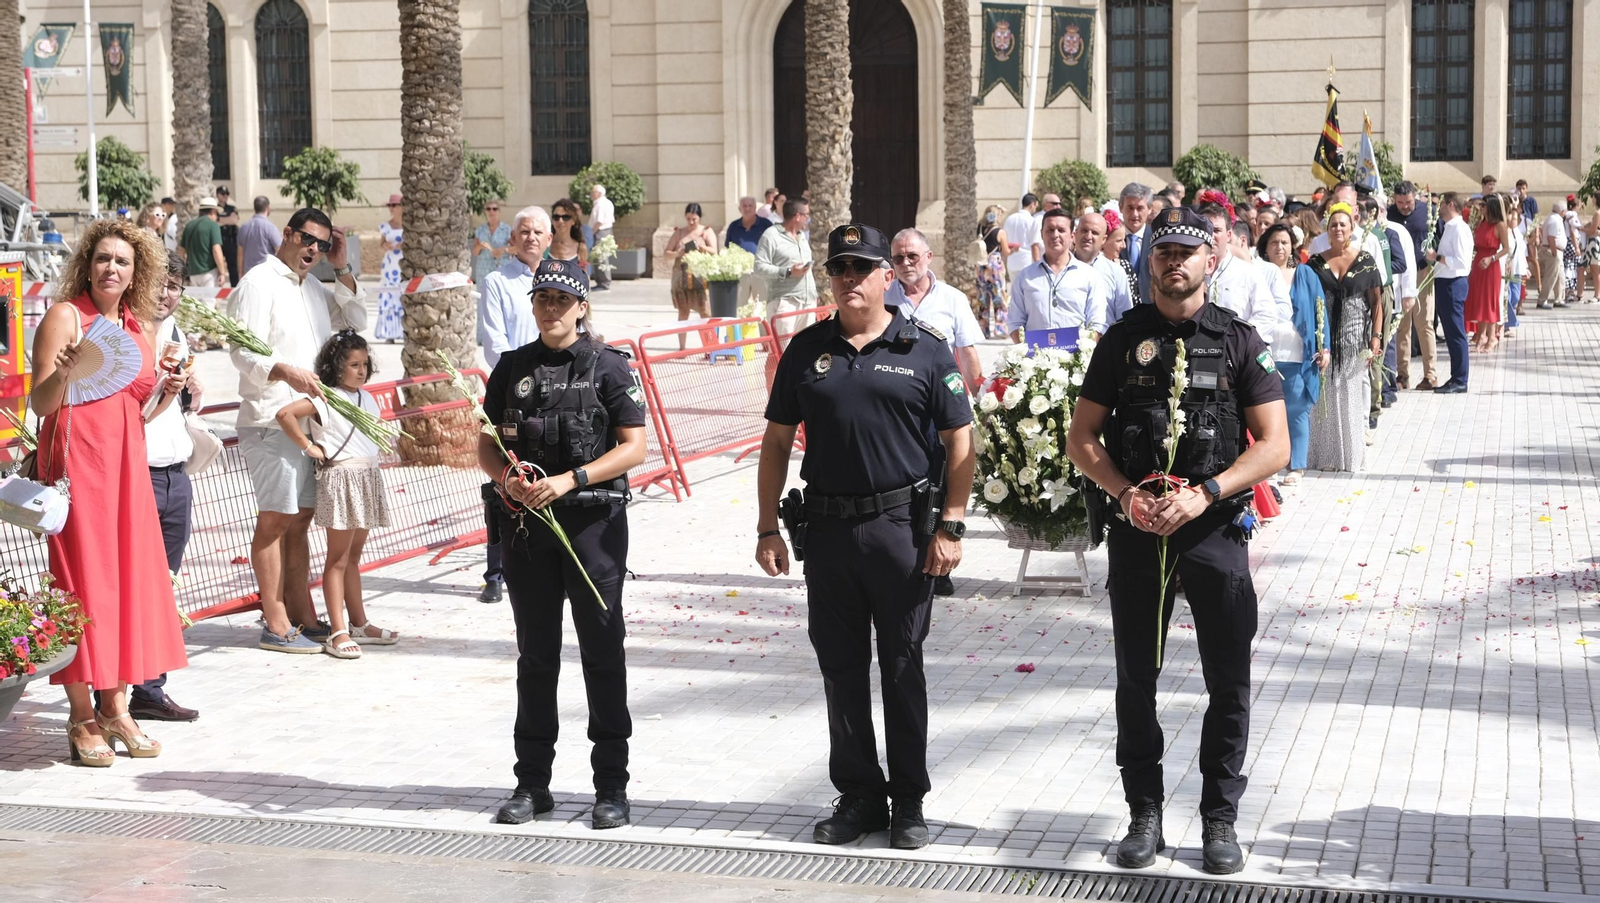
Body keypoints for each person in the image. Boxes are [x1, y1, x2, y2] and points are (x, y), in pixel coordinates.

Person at [1066, 206, 1286, 876]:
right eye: (1163, 250)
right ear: (1149, 259)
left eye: (1188, 250)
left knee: (1229, 679)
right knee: (1137, 677)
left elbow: (1276, 445)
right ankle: (1145, 813)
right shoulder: (1122, 339)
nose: (1175, 261)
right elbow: (1082, 439)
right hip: (1140, 528)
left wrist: (1209, 492)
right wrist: (1125, 494)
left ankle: (1219, 816)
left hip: (1213, 526)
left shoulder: (1241, 340)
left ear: (1210, 259)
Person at [756, 223, 975, 851]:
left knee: (902, 665)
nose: (850, 279)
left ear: (889, 275)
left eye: (862, 268)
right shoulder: (806, 350)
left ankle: (907, 799)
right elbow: (775, 441)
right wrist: (767, 525)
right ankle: (858, 796)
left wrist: (951, 524)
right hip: (825, 530)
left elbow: (960, 440)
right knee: (841, 669)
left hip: (900, 530)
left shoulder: (925, 348)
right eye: (840, 269)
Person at [482, 258, 646, 828]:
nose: (550, 309)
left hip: (593, 526)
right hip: (528, 532)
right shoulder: (511, 368)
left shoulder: (609, 368)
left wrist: (570, 480)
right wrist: (508, 479)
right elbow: (488, 442)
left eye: (560, 299)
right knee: (536, 657)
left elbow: (634, 448)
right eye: (541, 299)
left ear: (582, 306)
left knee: (602, 652)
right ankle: (532, 784)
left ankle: (611, 788)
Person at [30, 219, 190, 766]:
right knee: (82, 583)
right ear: (87, 263)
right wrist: (65, 374)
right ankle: (81, 716)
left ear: (135, 272)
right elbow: (42, 404)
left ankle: (116, 707)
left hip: (126, 467)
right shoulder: (65, 316)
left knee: (125, 582)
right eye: (102, 258)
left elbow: (138, 411)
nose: (111, 268)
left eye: (122, 261)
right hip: (78, 467)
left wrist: (168, 391)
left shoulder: (136, 326)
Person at [228, 207, 368, 653]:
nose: (314, 250)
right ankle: (273, 620)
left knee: (301, 520)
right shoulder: (257, 283)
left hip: (312, 427)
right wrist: (285, 372)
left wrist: (342, 266)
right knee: (275, 519)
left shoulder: (311, 288)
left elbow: (355, 322)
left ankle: (302, 614)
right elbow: (240, 350)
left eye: (322, 245)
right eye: (308, 240)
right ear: (286, 234)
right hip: (272, 420)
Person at [98, 253, 206, 723]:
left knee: (163, 587)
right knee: (124, 585)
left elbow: (177, 403)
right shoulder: (124, 335)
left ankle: (149, 687)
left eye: (176, 286)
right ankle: (107, 695)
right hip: (134, 473)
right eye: (160, 284)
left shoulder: (175, 334)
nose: (167, 294)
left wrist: (188, 389)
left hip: (174, 473)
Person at [274, 331, 395, 660]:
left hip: (367, 475)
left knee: (354, 557)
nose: (361, 371)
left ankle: (359, 623)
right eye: (353, 365)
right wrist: (309, 446)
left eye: (364, 364)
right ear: (335, 367)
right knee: (338, 559)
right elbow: (285, 414)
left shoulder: (366, 398)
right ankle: (338, 631)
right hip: (341, 478)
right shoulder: (325, 397)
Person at [477, 205, 551, 604]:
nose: (531, 237)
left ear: (549, 238)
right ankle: (495, 571)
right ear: (513, 236)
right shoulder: (496, 281)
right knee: (503, 481)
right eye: (524, 231)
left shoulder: (561, 279)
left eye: (538, 231)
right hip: (510, 398)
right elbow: (495, 345)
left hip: (556, 398)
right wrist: (526, 382)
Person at [1305, 203, 1383, 472]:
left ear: (1352, 228)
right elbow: (1304, 294)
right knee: (1324, 395)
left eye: (1343, 224)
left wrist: (1376, 337)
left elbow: (1376, 302)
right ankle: (1324, 456)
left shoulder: (1365, 260)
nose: (1338, 228)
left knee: (1350, 395)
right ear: (1327, 230)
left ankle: (1350, 456)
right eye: (1333, 225)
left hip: (1354, 336)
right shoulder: (1315, 262)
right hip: (1323, 338)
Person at [1257, 223, 1324, 484]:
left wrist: (1323, 347)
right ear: (1265, 247)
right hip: (1265, 353)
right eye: (1274, 242)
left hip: (1298, 353)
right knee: (1269, 412)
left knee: (1297, 409)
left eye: (1284, 242)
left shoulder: (1305, 274)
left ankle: (1296, 465)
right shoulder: (1257, 273)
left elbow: (1320, 313)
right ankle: (1272, 462)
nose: (1280, 247)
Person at [1006, 208, 1110, 341]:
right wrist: (1027, 356)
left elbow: (1097, 325)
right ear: (1041, 234)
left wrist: (1081, 356)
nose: (1055, 235)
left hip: (1077, 358)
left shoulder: (1090, 276)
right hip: (1036, 359)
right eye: (1050, 230)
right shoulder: (1025, 277)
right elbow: (1015, 323)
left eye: (1061, 230)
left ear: (1072, 236)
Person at [1199, 206, 1277, 337]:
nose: (1210, 235)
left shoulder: (1247, 271)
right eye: (1205, 229)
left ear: (1228, 235)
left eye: (1216, 230)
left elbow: (1267, 316)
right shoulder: (1189, 271)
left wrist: (1237, 341)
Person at [1389, 182, 1437, 389]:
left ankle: (1430, 375)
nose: (1404, 207)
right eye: (1400, 203)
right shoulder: (1390, 214)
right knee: (1401, 326)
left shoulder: (1428, 213)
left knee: (1424, 324)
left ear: (1415, 198)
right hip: (1398, 276)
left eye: (1408, 202)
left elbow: (1439, 237)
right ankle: (1402, 375)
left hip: (1422, 273)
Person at [753, 197, 817, 341]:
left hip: (808, 303)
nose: (808, 218)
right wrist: (787, 272)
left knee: (806, 351)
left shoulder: (802, 237)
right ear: (797, 216)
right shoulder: (771, 235)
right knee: (783, 354)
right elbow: (758, 267)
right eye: (807, 214)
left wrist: (813, 294)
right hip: (785, 302)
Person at [1429, 193, 1473, 392]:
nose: (1439, 208)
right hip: (1445, 282)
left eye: (1442, 204)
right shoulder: (1450, 227)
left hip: (1453, 283)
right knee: (1450, 332)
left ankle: (1460, 379)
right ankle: (1456, 376)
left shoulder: (1459, 229)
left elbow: (1462, 262)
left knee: (1456, 332)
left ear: (1451, 204)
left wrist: (1437, 257)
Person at [664, 203, 716, 349]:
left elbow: (714, 251)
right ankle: (682, 347)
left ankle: (710, 346)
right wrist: (677, 253)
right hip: (681, 277)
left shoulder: (706, 231)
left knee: (705, 312)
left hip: (701, 277)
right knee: (683, 311)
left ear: (699, 217)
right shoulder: (680, 233)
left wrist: (702, 247)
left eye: (694, 219)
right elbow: (666, 253)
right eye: (688, 219)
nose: (691, 222)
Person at [1072, 211, 1134, 324]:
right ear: (1075, 234)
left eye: (1094, 233)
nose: (1088, 236)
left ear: (1104, 239)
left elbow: (1124, 317)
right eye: (1084, 230)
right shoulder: (1061, 270)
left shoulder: (1116, 272)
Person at [1465, 194, 1509, 352]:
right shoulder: (1481, 223)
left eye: (1483, 205)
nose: (1480, 208)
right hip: (1478, 263)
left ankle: (1492, 337)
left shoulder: (1500, 225)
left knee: (1490, 301)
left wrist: (1492, 258)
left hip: (1491, 265)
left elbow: (1506, 248)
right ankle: (1481, 334)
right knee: (1479, 300)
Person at [726, 195, 773, 311]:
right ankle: (739, 330)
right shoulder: (733, 226)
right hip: (741, 272)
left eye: (750, 206)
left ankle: (764, 330)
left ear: (755, 207)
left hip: (761, 271)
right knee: (739, 307)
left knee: (763, 307)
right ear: (739, 209)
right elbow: (727, 248)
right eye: (744, 206)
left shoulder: (766, 225)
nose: (747, 209)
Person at [975, 205, 1010, 337]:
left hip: (981, 266)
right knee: (999, 298)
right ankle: (999, 329)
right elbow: (1006, 251)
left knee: (983, 299)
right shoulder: (999, 232)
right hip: (995, 266)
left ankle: (983, 330)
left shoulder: (980, 229)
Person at [179, 196, 228, 288]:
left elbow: (181, 251)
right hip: (209, 272)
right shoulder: (213, 225)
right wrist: (222, 272)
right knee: (208, 301)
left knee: (196, 301)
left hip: (192, 273)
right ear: (213, 211)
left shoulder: (189, 226)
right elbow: (216, 250)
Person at [375, 195, 405, 343]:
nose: (392, 209)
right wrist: (387, 246)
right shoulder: (385, 226)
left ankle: (404, 330)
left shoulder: (408, 226)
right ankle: (389, 332)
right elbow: (381, 244)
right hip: (389, 265)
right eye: (390, 206)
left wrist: (403, 246)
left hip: (403, 264)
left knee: (403, 294)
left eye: (395, 205)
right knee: (389, 294)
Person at [1119, 183, 1156, 300]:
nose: (1134, 214)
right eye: (1130, 208)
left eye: (1140, 208)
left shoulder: (1157, 239)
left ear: (1149, 209)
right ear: (1121, 207)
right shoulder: (1110, 241)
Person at [1002, 193, 1041, 286]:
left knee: (1015, 292)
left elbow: (1004, 241)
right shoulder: (1032, 221)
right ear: (1032, 204)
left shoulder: (1009, 219)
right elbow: (1034, 245)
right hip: (1026, 262)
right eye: (1036, 206)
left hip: (1012, 262)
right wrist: (1039, 266)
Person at [237, 196, 281, 277]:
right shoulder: (271, 227)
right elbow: (279, 250)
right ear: (268, 208)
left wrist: (240, 272)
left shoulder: (243, 227)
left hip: (248, 273)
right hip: (266, 273)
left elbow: (240, 253)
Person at [1538, 197, 1568, 309]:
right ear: (1562, 211)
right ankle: (1542, 300)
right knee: (1550, 277)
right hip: (1553, 251)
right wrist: (1554, 252)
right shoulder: (1555, 220)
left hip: (1556, 251)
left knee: (1560, 277)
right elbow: (1551, 237)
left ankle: (1559, 299)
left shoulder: (1553, 218)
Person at [472, 199, 511, 285]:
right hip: (483, 271)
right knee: (483, 296)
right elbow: (475, 252)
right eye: (488, 209)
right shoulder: (480, 230)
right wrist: (480, 246)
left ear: (499, 211)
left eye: (494, 209)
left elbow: (516, 249)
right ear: (485, 212)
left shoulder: (507, 229)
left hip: (501, 270)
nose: (491, 211)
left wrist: (504, 249)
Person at [549, 197, 590, 271]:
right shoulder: (545, 245)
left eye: (566, 217)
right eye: (556, 217)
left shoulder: (580, 248)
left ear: (573, 221)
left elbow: (584, 277)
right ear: (552, 220)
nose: (560, 221)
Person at [589, 183, 615, 291]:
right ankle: (602, 282)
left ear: (598, 193)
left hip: (600, 232)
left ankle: (603, 283)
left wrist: (591, 233)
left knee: (601, 257)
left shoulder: (600, 204)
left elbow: (599, 221)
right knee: (601, 257)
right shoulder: (607, 202)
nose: (591, 194)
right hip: (606, 231)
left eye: (593, 192)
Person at [216, 186, 240, 283]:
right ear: (217, 195)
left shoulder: (232, 208)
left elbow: (234, 220)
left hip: (230, 241)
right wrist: (227, 220)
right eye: (222, 194)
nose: (225, 196)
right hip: (218, 241)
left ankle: (234, 288)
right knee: (217, 267)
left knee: (233, 267)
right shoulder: (214, 209)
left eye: (227, 194)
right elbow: (213, 221)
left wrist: (219, 220)